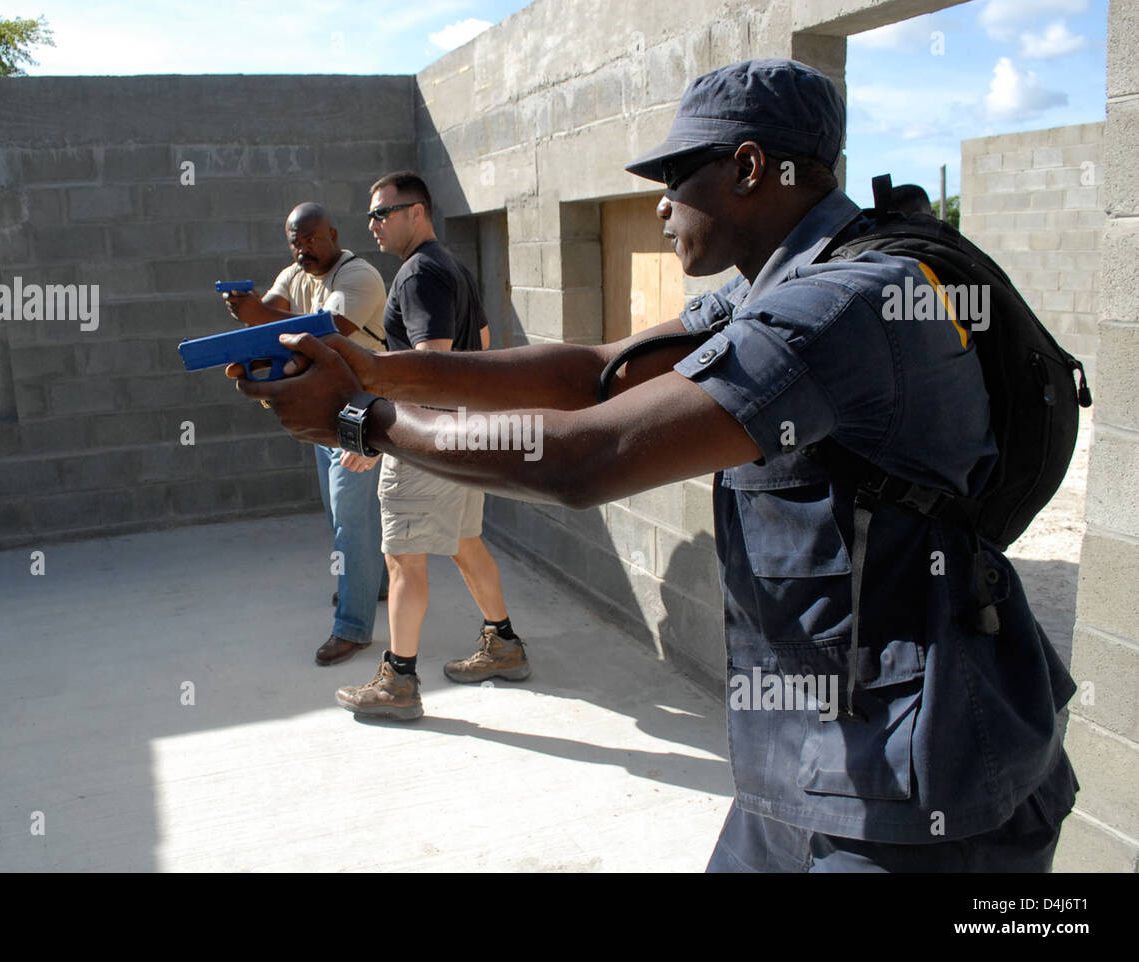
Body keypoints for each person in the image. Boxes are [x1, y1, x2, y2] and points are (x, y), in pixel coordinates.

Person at [231, 59, 1077, 871]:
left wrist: (359, 418)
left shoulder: (844, 306)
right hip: (817, 758)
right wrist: (374, 369)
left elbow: (585, 459)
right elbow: (588, 372)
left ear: (750, 167)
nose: (663, 204)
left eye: (677, 175)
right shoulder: (770, 286)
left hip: (930, 786)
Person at [336, 171, 525, 721]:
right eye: (371, 215)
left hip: (426, 444)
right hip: (461, 438)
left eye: (383, 213)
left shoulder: (418, 275)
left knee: (402, 560)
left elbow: (429, 369)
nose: (373, 224)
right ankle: (504, 644)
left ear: (416, 212)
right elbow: (483, 345)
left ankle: (398, 682)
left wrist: (380, 437)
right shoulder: (453, 267)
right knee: (466, 542)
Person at [225, 202, 389, 667]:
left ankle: (353, 629)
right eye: (295, 241)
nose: (303, 249)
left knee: (350, 519)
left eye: (311, 239)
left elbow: (327, 334)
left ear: (333, 234)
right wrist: (246, 310)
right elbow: (268, 315)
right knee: (342, 508)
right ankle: (372, 585)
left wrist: (258, 313)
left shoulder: (360, 277)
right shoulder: (294, 275)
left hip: (362, 410)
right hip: (323, 411)